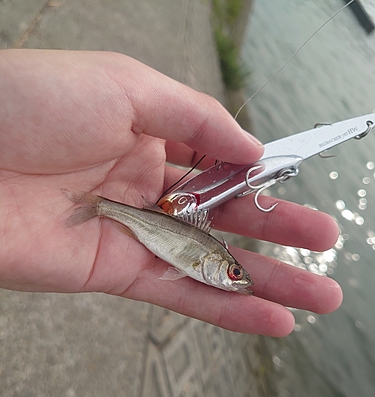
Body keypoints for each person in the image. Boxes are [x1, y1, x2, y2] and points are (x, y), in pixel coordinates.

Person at [0, 49, 342, 336]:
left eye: (236, 274)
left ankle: (102, 207)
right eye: (235, 273)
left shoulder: (201, 261)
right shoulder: (203, 259)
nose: (236, 279)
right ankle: (101, 206)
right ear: (218, 263)